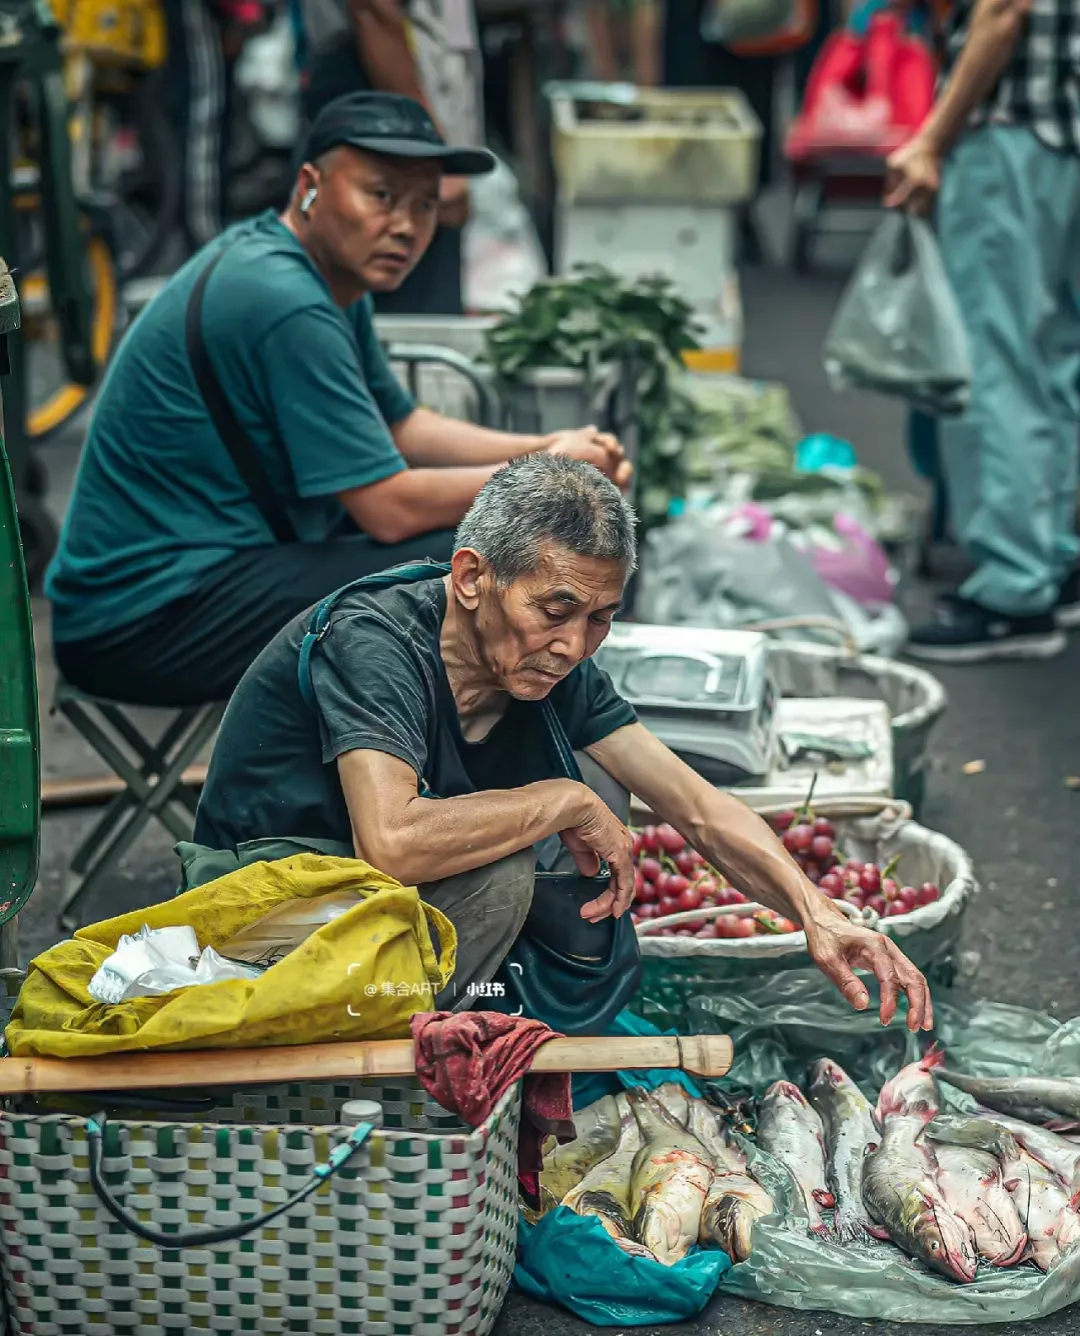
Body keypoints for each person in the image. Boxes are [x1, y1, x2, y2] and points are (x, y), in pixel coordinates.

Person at [191, 453, 935, 1034]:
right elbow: (393, 843)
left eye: (600, 619)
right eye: (556, 609)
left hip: (368, 920)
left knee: (588, 802)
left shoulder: (550, 667)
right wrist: (561, 800)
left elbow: (701, 810)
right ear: (473, 577)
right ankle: (404, 1072)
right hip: (256, 919)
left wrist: (817, 910)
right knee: (521, 852)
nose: (574, 645)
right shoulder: (375, 640)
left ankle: (460, 1025)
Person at [45, 93, 630, 710]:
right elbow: (388, 509)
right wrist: (551, 477)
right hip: (141, 621)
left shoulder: (319, 275)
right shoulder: (284, 299)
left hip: (208, 577)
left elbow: (403, 425)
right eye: (380, 196)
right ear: (310, 188)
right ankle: (442, 786)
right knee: (487, 570)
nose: (405, 226)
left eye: (425, 204)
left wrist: (551, 451)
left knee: (513, 553)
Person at [885, 0, 1080, 662]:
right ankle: (1050, 558)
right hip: (1064, 136)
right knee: (1053, 361)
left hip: (1012, 132)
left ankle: (1015, 590)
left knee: (992, 366)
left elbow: (1003, 8)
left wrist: (932, 139)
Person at [292, 0, 482, 313]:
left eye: (425, 204)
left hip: (416, 104)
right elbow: (372, 9)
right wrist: (433, 149)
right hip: (381, 104)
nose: (406, 226)